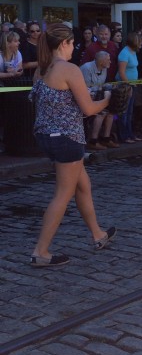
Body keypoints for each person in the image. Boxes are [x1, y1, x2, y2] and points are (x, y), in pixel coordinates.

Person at [28, 23, 117, 267]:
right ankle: (41, 251)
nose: (74, 49)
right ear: (64, 44)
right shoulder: (69, 69)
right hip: (67, 139)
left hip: (46, 136)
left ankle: (97, 234)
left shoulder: (42, 69)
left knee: (83, 186)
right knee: (62, 195)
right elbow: (88, 109)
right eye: (72, 45)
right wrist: (108, 99)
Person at [116, 31, 141, 143]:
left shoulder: (133, 52)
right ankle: (124, 136)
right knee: (124, 112)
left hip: (133, 84)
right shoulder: (124, 53)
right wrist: (128, 86)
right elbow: (122, 72)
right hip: (125, 86)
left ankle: (130, 133)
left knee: (130, 111)